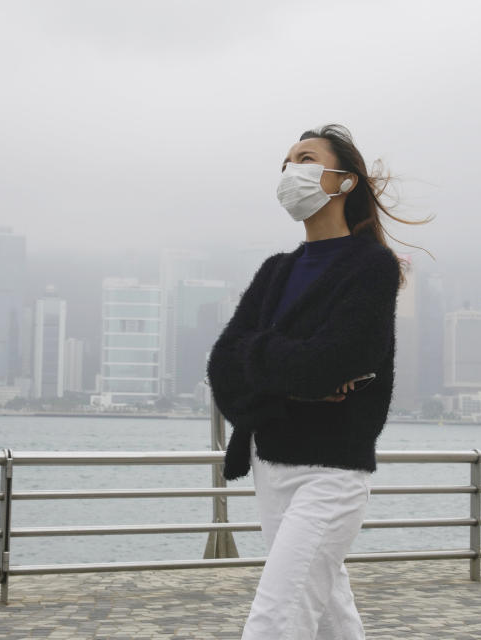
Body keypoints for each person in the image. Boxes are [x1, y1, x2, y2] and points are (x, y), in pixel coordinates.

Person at [206, 123, 432, 639]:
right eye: (285, 162)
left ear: (344, 181)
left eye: (304, 158)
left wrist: (263, 361)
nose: (290, 172)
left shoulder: (371, 266)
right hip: (270, 463)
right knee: (329, 612)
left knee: (276, 618)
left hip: (330, 472)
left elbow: (335, 360)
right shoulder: (275, 271)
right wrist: (290, 375)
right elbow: (222, 365)